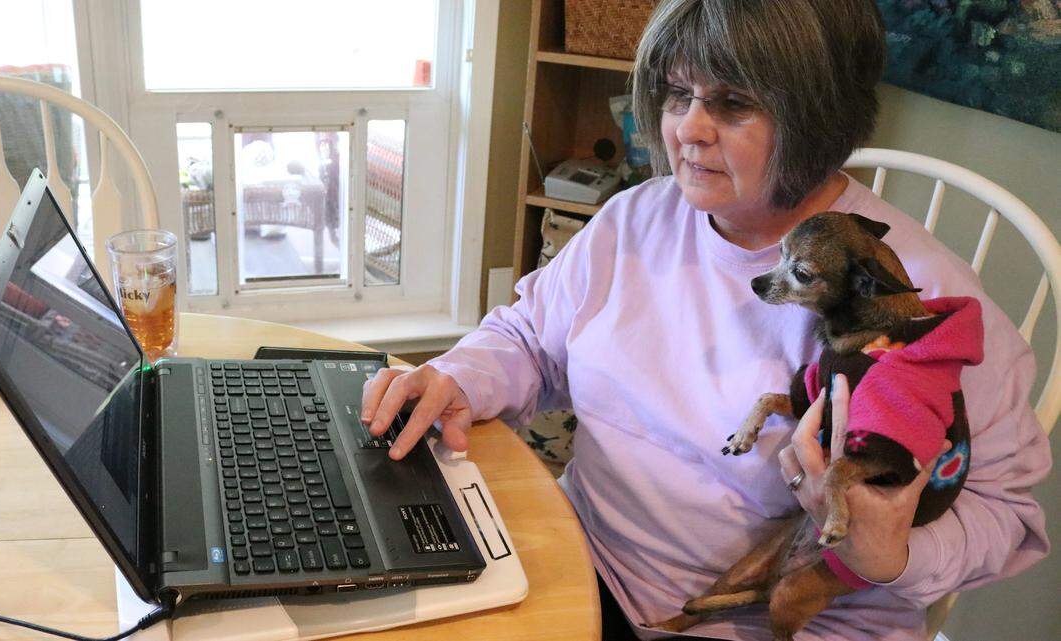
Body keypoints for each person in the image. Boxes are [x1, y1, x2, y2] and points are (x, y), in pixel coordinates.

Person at [360, 1, 1051, 639]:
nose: (686, 128)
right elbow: (530, 338)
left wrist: (891, 552)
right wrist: (456, 377)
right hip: (577, 561)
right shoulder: (640, 215)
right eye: (678, 93)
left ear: (818, 114)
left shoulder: (925, 308)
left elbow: (1004, 513)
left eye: (732, 102)